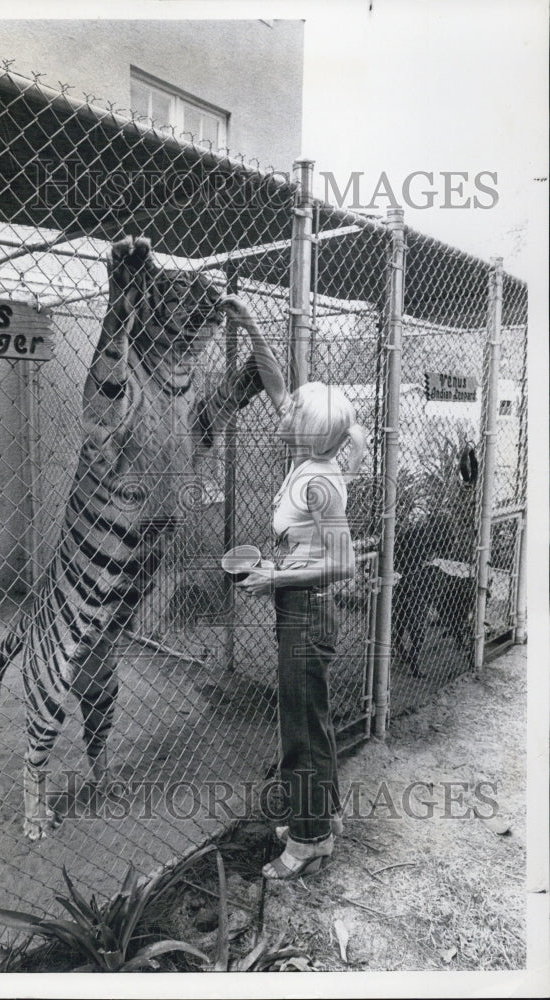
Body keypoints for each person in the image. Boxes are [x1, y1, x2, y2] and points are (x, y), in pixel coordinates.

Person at [221, 295, 367, 880]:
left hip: (308, 610)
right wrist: (251, 324)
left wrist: (274, 575)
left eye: (289, 413)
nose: (278, 410)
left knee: (299, 730)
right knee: (314, 717)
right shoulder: (310, 452)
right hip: (301, 607)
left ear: (304, 433)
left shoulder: (321, 484)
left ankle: (306, 843)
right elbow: (277, 382)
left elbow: (344, 563)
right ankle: (322, 817)